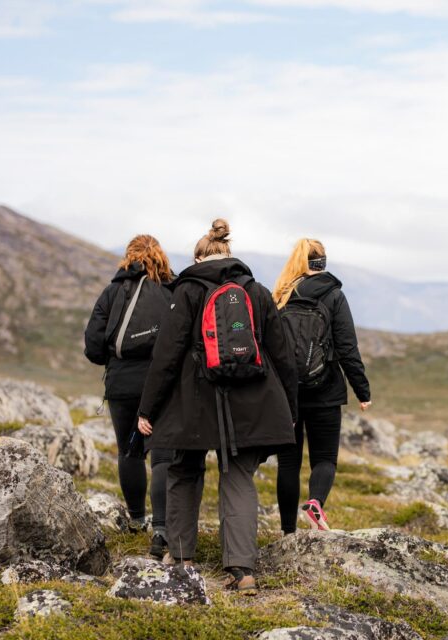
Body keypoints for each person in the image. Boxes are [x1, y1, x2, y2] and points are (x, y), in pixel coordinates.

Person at [137, 218, 297, 591]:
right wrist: (289, 408)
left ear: (198, 257)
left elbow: (167, 355)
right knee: (238, 476)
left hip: (193, 401)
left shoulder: (187, 290)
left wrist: (148, 409)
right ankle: (242, 571)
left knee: (183, 470)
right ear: (229, 252)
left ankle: (181, 557)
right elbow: (283, 354)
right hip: (250, 399)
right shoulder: (256, 291)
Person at [83, 235, 176, 558]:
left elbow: (93, 346)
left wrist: (115, 361)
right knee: (162, 456)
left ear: (129, 257)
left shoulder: (113, 292)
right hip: (161, 384)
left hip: (122, 385)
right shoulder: (171, 291)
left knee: (130, 451)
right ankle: (161, 530)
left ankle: (137, 520)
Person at [273, 238, 371, 533]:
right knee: (325, 458)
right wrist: (362, 391)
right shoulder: (334, 296)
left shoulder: (282, 294)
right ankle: (315, 502)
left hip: (287, 393)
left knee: (288, 464)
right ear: (323, 262)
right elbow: (347, 348)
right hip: (325, 391)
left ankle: (288, 532)